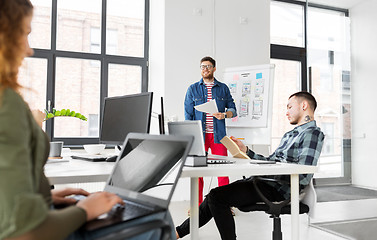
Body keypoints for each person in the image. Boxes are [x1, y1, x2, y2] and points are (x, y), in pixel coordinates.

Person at [0, 1, 175, 239]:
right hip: (39, 229)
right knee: (159, 217)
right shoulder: (6, 103)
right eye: (23, 34)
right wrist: (84, 211)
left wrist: (44, 198)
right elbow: (24, 232)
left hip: (33, 212)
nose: (29, 49)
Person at [176, 91, 325, 240]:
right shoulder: (290, 135)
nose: (286, 112)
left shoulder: (312, 133)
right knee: (213, 197)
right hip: (263, 181)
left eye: (290, 107)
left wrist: (266, 170)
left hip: (277, 188)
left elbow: (304, 174)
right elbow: (271, 160)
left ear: (304, 105)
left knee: (216, 197)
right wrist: (246, 151)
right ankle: (176, 233)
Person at [184, 56, 237, 205]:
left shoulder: (223, 88)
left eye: (208, 66)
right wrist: (191, 136)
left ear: (214, 68)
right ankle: (197, 205)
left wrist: (225, 114)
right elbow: (188, 115)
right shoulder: (192, 88)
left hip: (218, 135)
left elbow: (233, 109)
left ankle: (225, 205)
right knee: (198, 172)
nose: (205, 69)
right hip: (200, 136)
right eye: (202, 66)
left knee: (222, 171)